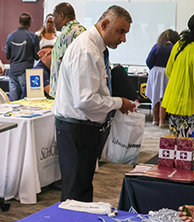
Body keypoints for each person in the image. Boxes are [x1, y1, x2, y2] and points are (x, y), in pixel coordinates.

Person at [54, 5, 136, 202]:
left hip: (81, 129)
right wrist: (118, 102)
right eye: (120, 31)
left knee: (80, 188)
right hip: (77, 129)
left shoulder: (93, 47)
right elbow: (85, 100)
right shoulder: (87, 50)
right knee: (76, 195)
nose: (123, 38)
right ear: (105, 24)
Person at [49, 2, 86, 98]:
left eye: (54, 17)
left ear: (61, 16)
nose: (53, 21)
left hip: (65, 95)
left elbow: (66, 65)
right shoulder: (83, 30)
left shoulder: (67, 34)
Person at [145, 29, 179, 128]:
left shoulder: (157, 46)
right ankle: (162, 120)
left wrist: (154, 69)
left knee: (155, 96)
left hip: (155, 72)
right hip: (167, 73)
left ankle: (155, 119)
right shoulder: (174, 48)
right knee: (164, 97)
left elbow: (148, 61)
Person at [5, 12, 40, 101]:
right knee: (26, 100)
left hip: (13, 72)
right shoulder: (33, 37)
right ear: (30, 22)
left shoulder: (10, 36)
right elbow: (37, 56)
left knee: (13, 101)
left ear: (19, 21)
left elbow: (7, 56)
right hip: (26, 71)